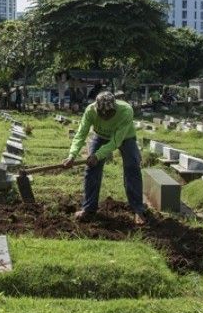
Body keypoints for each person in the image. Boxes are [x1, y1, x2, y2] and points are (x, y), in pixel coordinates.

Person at [63, 91, 147, 225]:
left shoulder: (126, 111)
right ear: (96, 109)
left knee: (132, 167)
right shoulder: (90, 111)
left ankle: (138, 210)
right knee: (92, 169)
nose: (105, 116)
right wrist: (72, 155)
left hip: (125, 137)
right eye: (101, 114)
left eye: (108, 113)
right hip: (100, 136)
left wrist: (98, 155)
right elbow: (81, 134)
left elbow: (115, 141)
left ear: (114, 109)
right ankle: (89, 208)